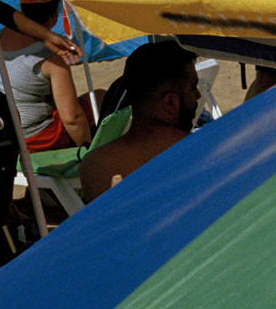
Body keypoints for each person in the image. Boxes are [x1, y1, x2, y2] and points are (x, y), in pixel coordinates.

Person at [79, 41, 199, 202]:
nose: (198, 95)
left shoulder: (95, 166)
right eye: (193, 88)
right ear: (170, 102)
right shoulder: (201, 152)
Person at [0, 0, 92, 152]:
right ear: (54, 13)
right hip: (35, 138)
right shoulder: (53, 56)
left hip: (3, 131)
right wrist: (87, 151)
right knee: (98, 98)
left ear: (22, 9)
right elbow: (72, 118)